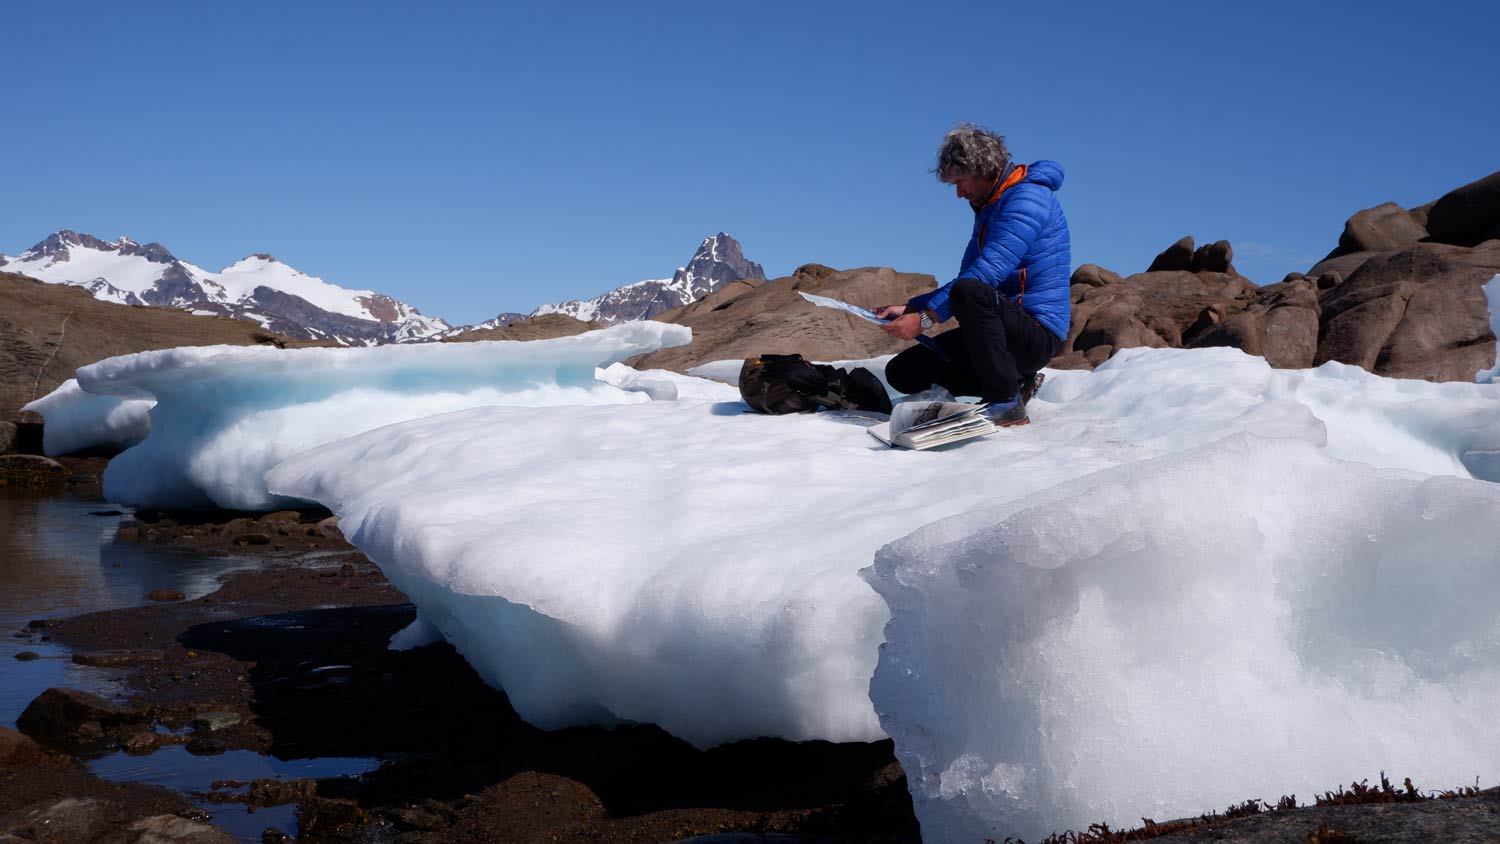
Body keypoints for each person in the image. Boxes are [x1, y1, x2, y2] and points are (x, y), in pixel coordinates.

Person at [874, 124, 1071, 426]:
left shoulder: (1027, 200)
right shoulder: (989, 207)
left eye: (961, 182)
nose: (958, 193)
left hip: (1036, 333)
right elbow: (967, 277)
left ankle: (1006, 402)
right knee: (902, 372)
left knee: (970, 290)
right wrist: (913, 306)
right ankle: (1016, 382)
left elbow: (984, 276)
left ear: (985, 170)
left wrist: (925, 320)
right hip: (1001, 330)